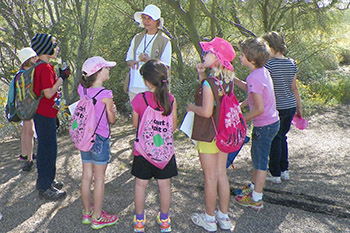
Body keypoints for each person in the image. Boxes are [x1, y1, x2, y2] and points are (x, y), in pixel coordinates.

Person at [188, 37, 236, 232]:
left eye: (207, 53)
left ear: (216, 57)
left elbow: (207, 111)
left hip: (209, 136)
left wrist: (192, 107)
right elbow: (217, 102)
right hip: (223, 135)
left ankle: (208, 219)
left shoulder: (209, 83)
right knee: (221, 175)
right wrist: (201, 75)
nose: (204, 55)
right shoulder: (227, 80)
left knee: (210, 178)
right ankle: (223, 217)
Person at [131, 59, 177, 233]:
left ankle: (139, 222)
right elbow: (173, 127)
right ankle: (165, 221)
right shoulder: (171, 100)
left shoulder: (139, 99)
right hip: (164, 153)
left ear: (146, 81)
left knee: (140, 185)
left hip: (143, 151)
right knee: (164, 186)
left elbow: (136, 125)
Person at [233, 38, 280, 210]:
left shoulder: (254, 77)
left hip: (264, 125)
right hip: (271, 123)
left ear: (251, 59)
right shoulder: (261, 72)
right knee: (256, 156)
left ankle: (256, 198)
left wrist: (240, 118)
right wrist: (241, 102)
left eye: (242, 55)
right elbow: (252, 92)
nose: (239, 57)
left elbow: (259, 108)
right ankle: (254, 187)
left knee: (260, 162)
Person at [79, 56, 118, 230]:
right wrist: (113, 111)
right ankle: (98, 218)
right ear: (99, 73)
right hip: (100, 138)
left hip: (85, 138)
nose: (109, 70)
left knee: (86, 176)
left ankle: (87, 213)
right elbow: (111, 120)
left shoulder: (82, 89)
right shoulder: (106, 94)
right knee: (100, 179)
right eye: (107, 68)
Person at [31, 33, 69, 200]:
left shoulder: (39, 65)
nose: (57, 48)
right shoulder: (44, 68)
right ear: (46, 47)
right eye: (54, 44)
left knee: (44, 148)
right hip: (45, 114)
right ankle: (46, 187)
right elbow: (48, 93)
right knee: (49, 150)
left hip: (42, 113)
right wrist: (62, 77)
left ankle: (45, 181)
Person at [262, 31, 303, 183]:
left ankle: (275, 173)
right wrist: (299, 107)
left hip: (276, 107)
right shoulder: (291, 63)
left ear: (270, 47)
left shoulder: (268, 64)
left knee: (275, 139)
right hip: (290, 105)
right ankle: (284, 170)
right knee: (282, 137)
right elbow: (294, 87)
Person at [125, 4, 171, 101]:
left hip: (153, 88)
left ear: (157, 21)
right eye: (144, 18)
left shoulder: (164, 40)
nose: (146, 21)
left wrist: (149, 61)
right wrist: (133, 62)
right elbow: (128, 59)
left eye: (150, 18)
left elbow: (165, 66)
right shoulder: (137, 38)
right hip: (135, 86)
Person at [16, 47, 38, 171]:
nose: (36, 59)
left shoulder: (19, 74)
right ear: (28, 60)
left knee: (25, 130)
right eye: (33, 57)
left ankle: (24, 154)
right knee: (30, 131)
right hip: (28, 107)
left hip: (21, 107)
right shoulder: (29, 74)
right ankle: (29, 159)